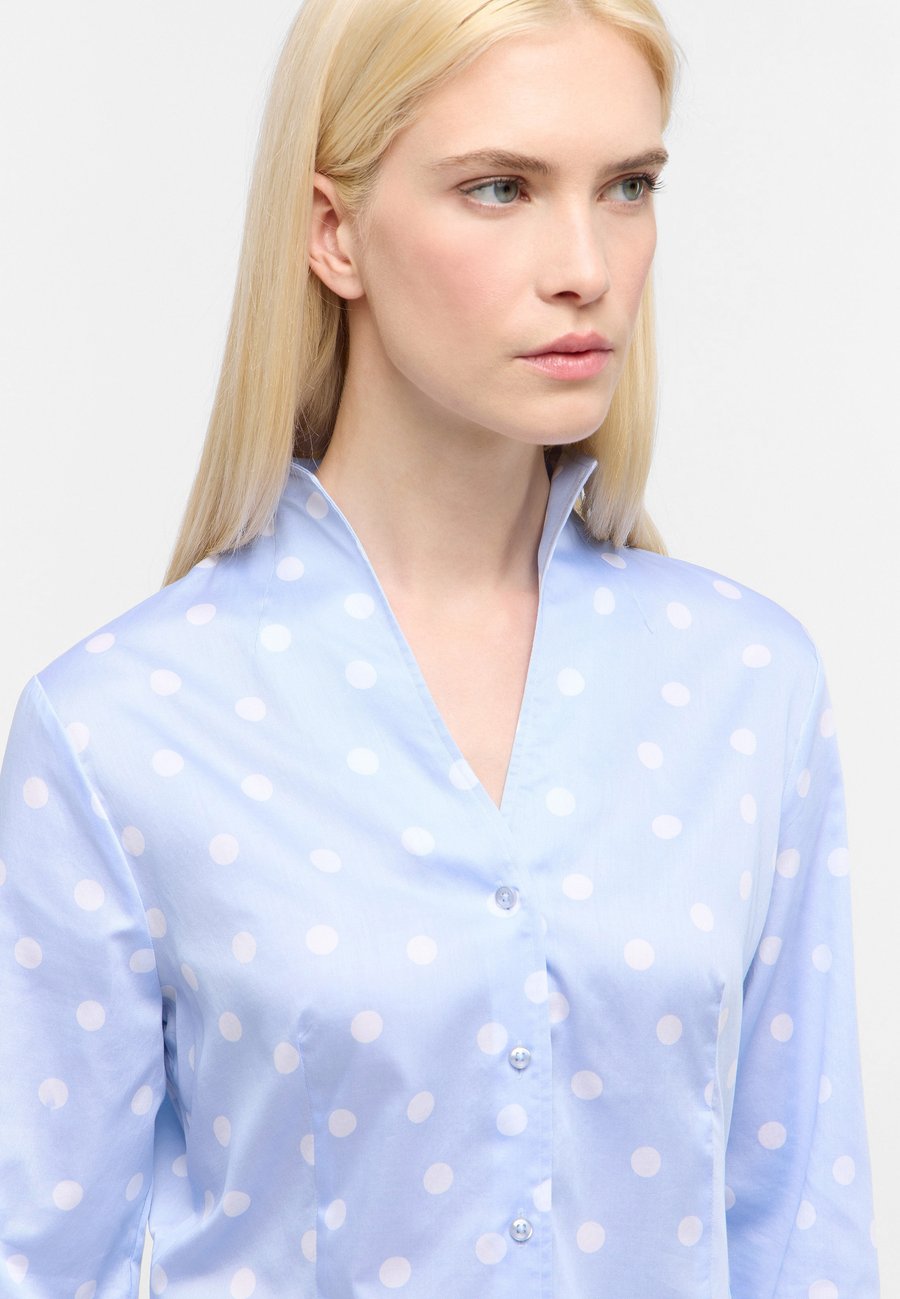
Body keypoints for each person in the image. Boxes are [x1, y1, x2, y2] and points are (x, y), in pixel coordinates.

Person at [0, 0, 881, 1295]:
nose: (585, 265)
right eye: (500, 188)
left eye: (628, 186)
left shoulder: (746, 688)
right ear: (334, 232)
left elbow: (801, 1231)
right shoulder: (121, 730)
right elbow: (37, 1259)